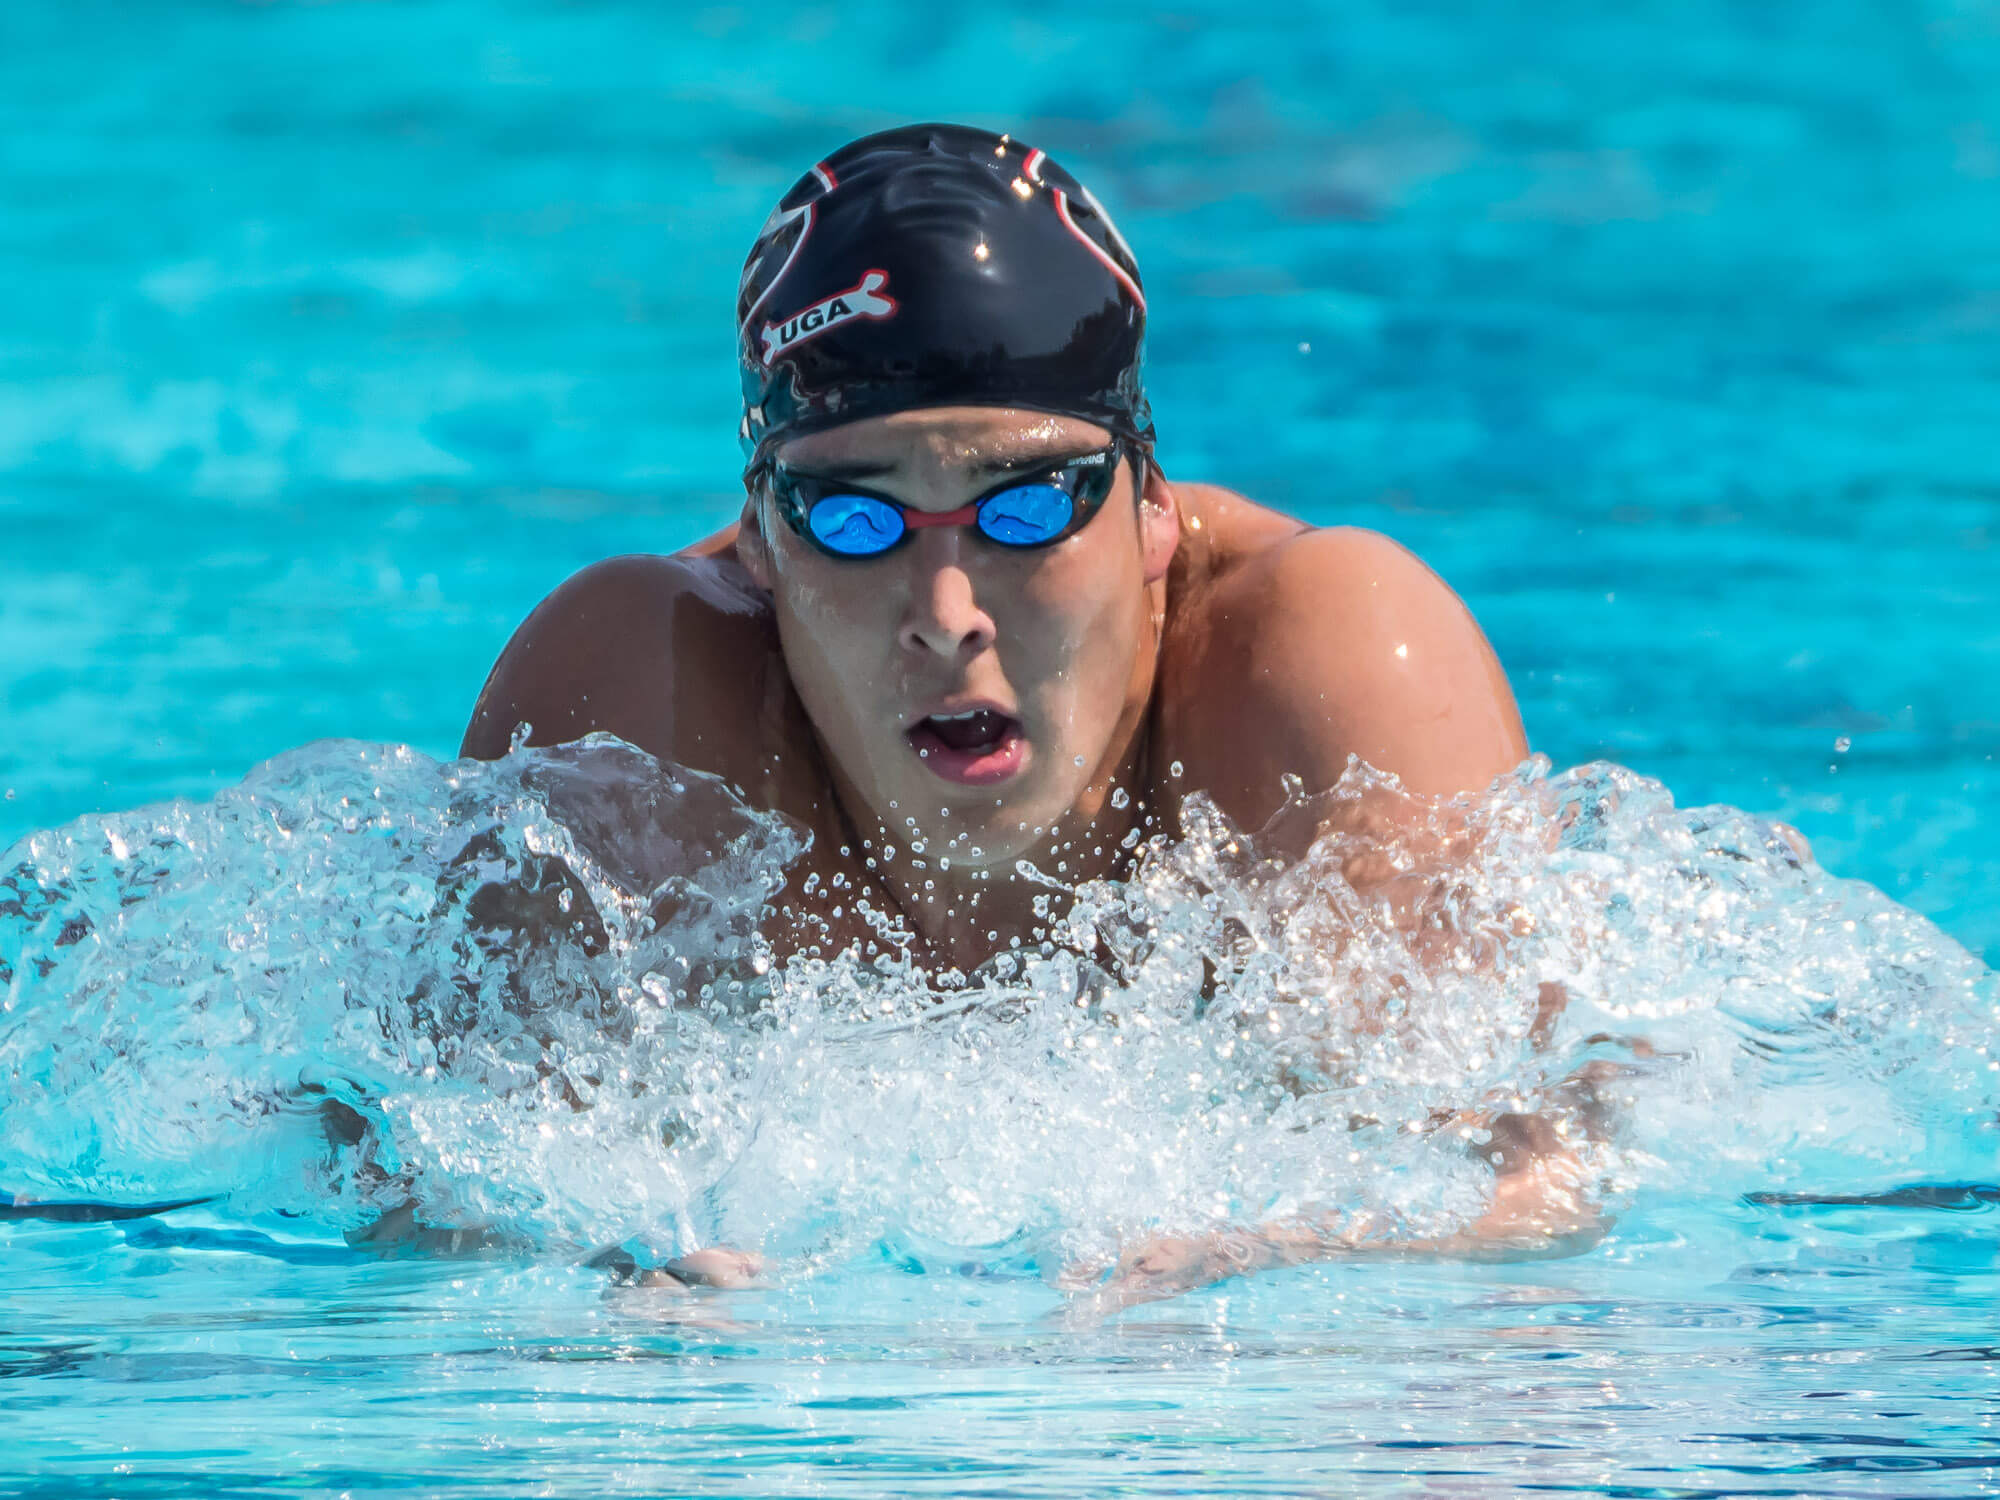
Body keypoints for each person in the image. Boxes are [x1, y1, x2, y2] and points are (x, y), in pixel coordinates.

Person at [462, 124, 1585, 1300]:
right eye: (855, 520)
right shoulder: (641, 702)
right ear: (762, 541)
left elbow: (1534, 1185)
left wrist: (1282, 1267)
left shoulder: (1322, 668)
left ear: (1148, 505)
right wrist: (604, 1289)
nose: (945, 613)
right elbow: (408, 1180)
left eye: (1025, 507)